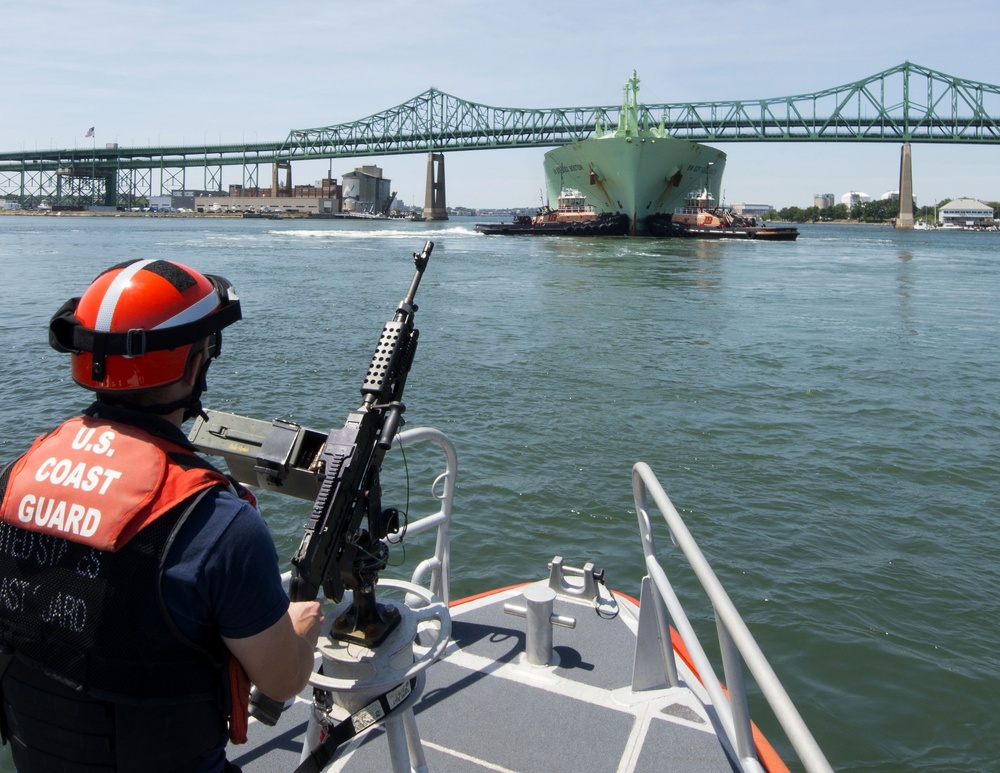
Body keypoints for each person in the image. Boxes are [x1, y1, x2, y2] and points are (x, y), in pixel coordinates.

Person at [0, 259, 323, 772]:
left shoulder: (16, 477)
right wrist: (300, 630)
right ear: (195, 367)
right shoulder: (218, 523)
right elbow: (282, 682)